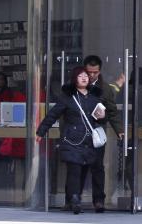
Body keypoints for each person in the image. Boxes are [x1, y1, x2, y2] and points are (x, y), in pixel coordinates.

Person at [35, 66, 108, 214]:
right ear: (75, 79)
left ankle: (96, 201)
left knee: (93, 169)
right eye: (80, 76)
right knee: (74, 170)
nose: (84, 78)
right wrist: (41, 131)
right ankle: (74, 199)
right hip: (72, 140)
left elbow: (99, 120)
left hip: (90, 141)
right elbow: (52, 115)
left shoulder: (95, 97)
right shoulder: (68, 97)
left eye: (86, 76)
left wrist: (102, 117)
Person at [80, 55, 124, 212]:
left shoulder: (105, 88)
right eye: (89, 72)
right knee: (79, 166)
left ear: (99, 71)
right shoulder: (77, 84)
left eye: (95, 72)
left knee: (97, 166)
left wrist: (119, 130)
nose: (92, 75)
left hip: (97, 132)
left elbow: (112, 111)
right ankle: (73, 198)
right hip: (79, 132)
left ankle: (98, 200)